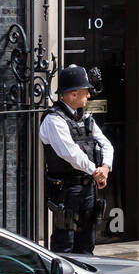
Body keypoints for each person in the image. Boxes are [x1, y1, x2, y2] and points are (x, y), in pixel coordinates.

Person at [39, 64, 114, 255]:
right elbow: (70, 153)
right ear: (73, 94)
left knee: (86, 243)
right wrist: (95, 171)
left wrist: (105, 167)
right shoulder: (54, 120)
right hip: (66, 190)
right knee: (65, 244)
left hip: (88, 187)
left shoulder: (86, 117)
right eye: (85, 92)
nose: (89, 96)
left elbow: (106, 144)